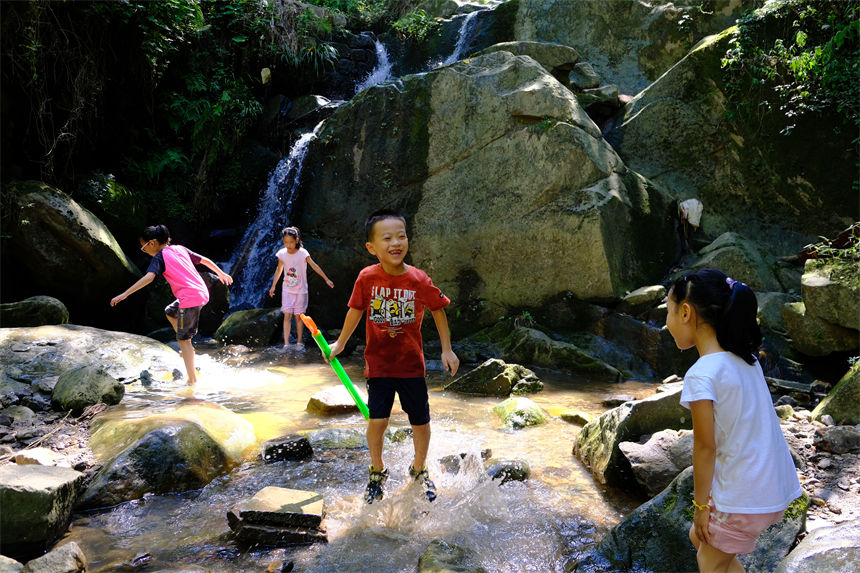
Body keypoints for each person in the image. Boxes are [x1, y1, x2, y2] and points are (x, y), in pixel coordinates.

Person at [665, 269, 802, 573]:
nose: (666, 321)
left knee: (709, 560)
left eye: (668, 311)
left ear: (685, 312)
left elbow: (705, 448)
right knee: (701, 539)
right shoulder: (746, 361)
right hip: (774, 486)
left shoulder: (701, 374)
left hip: (744, 497)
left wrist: (701, 507)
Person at [325, 209, 459, 504]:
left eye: (401, 236)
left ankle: (419, 468)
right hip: (379, 366)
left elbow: (438, 309)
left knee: (420, 422)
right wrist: (340, 344)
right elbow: (355, 311)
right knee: (378, 421)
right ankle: (377, 470)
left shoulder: (418, 279)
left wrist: (447, 349)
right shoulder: (367, 277)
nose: (396, 243)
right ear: (372, 247)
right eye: (387, 238)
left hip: (411, 366)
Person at [110, 225, 233, 385]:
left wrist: (125, 294)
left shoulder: (159, 257)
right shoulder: (180, 249)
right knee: (170, 311)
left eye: (143, 247)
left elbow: (149, 277)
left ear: (152, 243)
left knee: (184, 340)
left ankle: (192, 379)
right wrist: (221, 273)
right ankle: (186, 346)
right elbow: (204, 260)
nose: (144, 250)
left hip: (190, 298)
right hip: (200, 292)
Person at [267, 226, 334, 350]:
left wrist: (326, 279)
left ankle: (299, 342)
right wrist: (273, 286)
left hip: (301, 291)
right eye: (286, 242)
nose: (288, 245)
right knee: (287, 316)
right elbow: (279, 269)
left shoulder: (303, 253)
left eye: (291, 242)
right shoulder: (282, 254)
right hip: (287, 290)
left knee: (299, 316)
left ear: (297, 240)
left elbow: (314, 266)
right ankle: (286, 344)